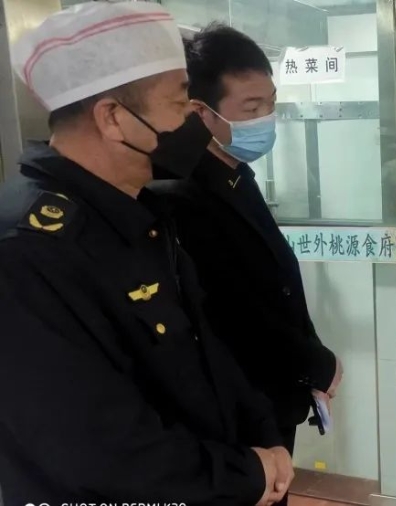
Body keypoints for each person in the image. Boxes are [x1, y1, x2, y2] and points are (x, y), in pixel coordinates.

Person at [0, 3, 292, 504]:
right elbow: (95, 444)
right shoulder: (28, 251)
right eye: (179, 102)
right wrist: (242, 475)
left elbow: (204, 351)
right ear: (113, 118)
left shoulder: (141, 211)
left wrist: (264, 434)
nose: (193, 120)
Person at [150, 24, 341, 497]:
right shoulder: (182, 194)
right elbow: (232, 310)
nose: (266, 119)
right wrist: (314, 362)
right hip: (238, 408)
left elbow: (275, 282)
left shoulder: (236, 174)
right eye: (251, 109)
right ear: (201, 112)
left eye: (271, 104)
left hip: (274, 394)